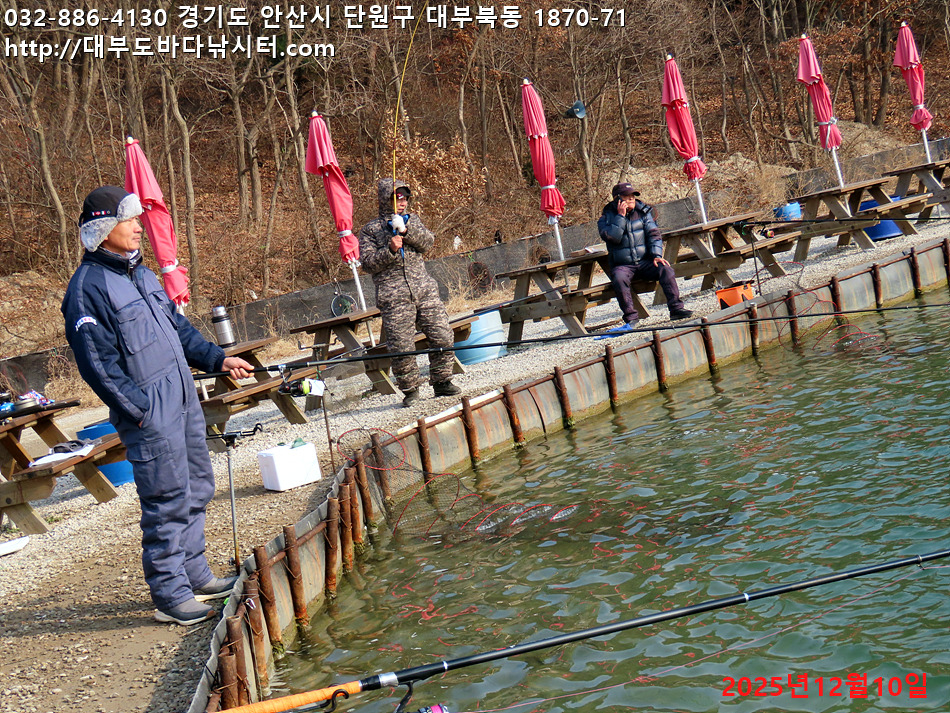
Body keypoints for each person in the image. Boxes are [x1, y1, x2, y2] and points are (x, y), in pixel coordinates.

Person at [61, 186, 255, 626]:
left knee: (197, 485)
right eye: (128, 220)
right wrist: (141, 411)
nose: (138, 227)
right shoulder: (87, 289)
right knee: (165, 499)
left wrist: (217, 359)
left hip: (183, 400)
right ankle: (170, 595)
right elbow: (98, 365)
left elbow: (179, 330)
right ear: (103, 229)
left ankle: (195, 574)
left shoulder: (143, 275)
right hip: (150, 412)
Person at [358, 178, 461, 407]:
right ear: (386, 199)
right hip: (394, 297)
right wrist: (390, 250)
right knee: (401, 347)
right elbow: (367, 263)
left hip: (424, 289)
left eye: (405, 198)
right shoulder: (371, 230)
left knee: (442, 335)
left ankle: (442, 381)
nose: (402, 202)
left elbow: (428, 242)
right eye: (397, 198)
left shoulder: (412, 221)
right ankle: (411, 390)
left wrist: (407, 231)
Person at [597, 182, 693, 332]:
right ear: (617, 200)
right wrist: (621, 216)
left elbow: (654, 235)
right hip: (623, 265)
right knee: (619, 278)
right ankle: (631, 317)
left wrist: (656, 255)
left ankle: (676, 309)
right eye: (627, 197)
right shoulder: (606, 218)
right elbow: (613, 237)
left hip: (645, 262)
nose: (631, 199)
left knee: (666, 269)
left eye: (633, 196)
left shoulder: (643, 212)